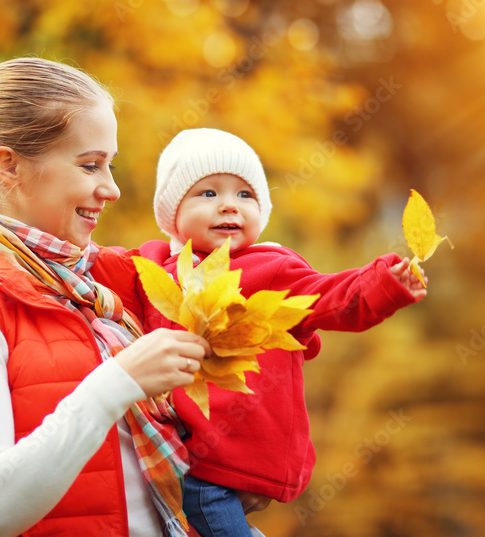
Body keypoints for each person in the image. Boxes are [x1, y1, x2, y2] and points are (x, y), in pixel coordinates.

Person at [0, 57, 211, 537]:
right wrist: (116, 383)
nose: (113, 188)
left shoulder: (102, 291)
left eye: (110, 164)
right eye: (89, 165)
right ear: (9, 166)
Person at [138, 128, 427, 537]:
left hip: (229, 453)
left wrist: (384, 284)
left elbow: (329, 297)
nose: (228, 207)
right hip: (184, 447)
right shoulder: (151, 269)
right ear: (172, 212)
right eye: (208, 194)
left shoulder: (270, 270)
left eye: (245, 195)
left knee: (204, 504)